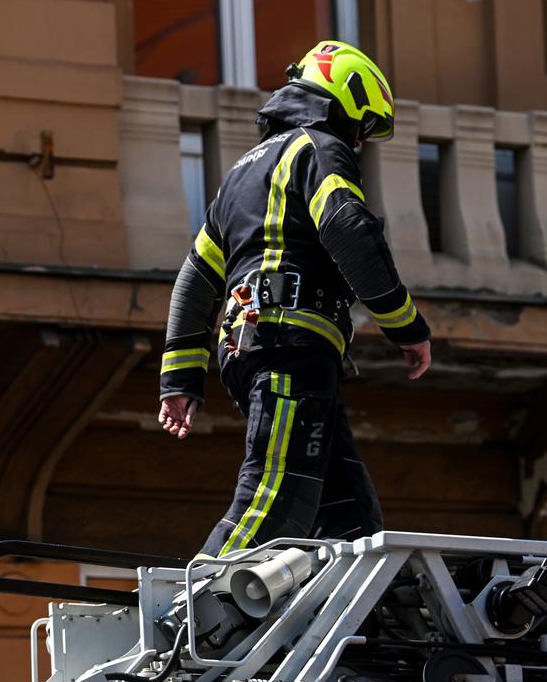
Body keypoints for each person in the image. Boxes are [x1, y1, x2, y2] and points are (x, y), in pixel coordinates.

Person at [157, 41, 432, 559]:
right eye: (361, 129)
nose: (359, 145)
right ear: (342, 103)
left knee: (350, 522)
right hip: (290, 348)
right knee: (274, 500)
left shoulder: (239, 176)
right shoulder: (319, 148)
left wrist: (180, 379)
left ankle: (348, 629)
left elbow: (194, 281)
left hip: (258, 349)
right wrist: (408, 327)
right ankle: (191, 608)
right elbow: (349, 230)